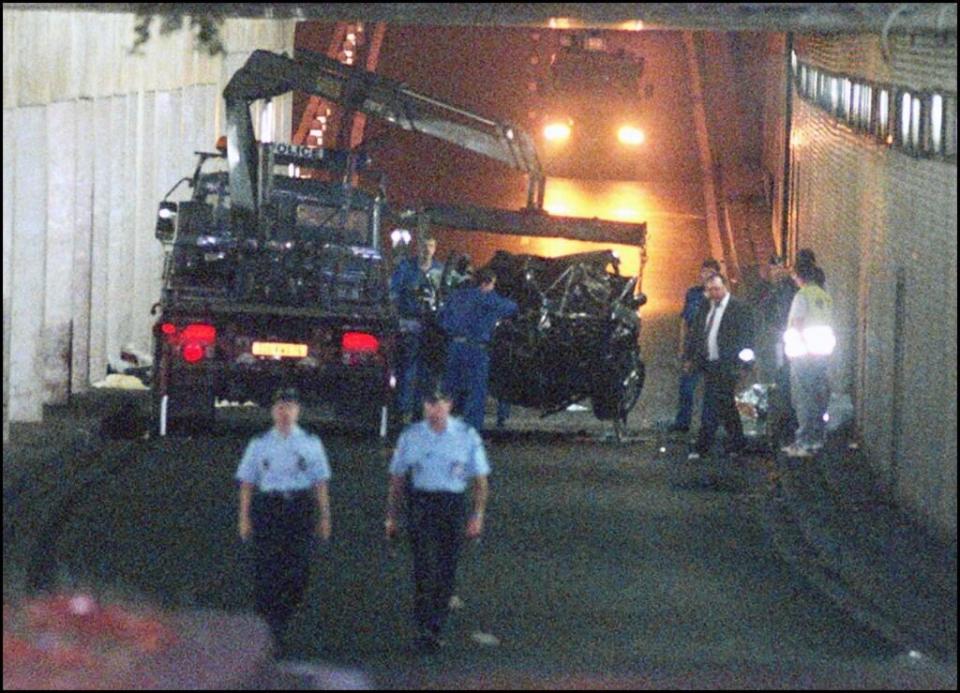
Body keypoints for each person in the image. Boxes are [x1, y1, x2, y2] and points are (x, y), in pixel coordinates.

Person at [384, 385, 490, 654]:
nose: (435, 409)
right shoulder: (411, 436)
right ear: (423, 406)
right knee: (423, 565)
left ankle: (436, 625)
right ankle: (423, 624)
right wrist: (392, 517)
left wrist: (477, 515)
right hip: (422, 503)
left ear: (449, 405)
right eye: (430, 403)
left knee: (446, 567)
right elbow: (397, 479)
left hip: (452, 505)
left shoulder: (466, 436)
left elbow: (480, 481)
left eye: (440, 403)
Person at [236, 388, 332, 652]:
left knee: (298, 570)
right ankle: (271, 628)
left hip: (298, 508)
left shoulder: (310, 444)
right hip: (269, 508)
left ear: (298, 411)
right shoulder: (260, 444)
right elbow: (247, 482)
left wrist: (324, 517)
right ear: (272, 411)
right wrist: (244, 518)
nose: (284, 413)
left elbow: (320, 482)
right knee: (267, 568)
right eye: (280, 407)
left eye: (289, 407)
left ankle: (284, 614)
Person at [683, 273, 755, 459]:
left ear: (725, 287)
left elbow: (747, 337)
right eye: (710, 290)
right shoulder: (707, 307)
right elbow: (697, 332)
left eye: (717, 289)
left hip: (727, 364)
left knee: (715, 401)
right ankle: (737, 442)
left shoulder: (739, 308)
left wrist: (744, 364)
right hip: (709, 362)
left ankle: (703, 445)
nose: (714, 293)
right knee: (725, 403)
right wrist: (690, 357)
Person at [438, 267, 518, 433]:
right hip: (476, 350)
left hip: (454, 348)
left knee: (450, 391)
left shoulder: (456, 296)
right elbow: (511, 307)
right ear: (487, 283)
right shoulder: (488, 298)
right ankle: (470, 432)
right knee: (475, 393)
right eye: (493, 285)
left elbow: (442, 319)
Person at [782, 262, 835, 457]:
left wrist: (798, 344)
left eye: (794, 276)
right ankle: (817, 438)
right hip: (821, 354)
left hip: (803, 355)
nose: (793, 279)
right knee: (818, 396)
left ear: (799, 276)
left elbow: (797, 323)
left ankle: (803, 442)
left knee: (803, 398)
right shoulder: (824, 296)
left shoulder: (802, 296)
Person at [390, 235, 443, 421]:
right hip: (410, 326)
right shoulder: (405, 268)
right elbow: (393, 294)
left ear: (435, 248)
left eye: (430, 245)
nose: (427, 250)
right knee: (407, 368)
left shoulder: (440, 270)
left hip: (431, 329)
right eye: (424, 246)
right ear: (417, 248)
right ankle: (403, 409)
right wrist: (399, 320)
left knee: (428, 372)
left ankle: (421, 410)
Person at [669, 259, 722, 433]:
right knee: (686, 387)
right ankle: (682, 422)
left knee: (711, 390)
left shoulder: (721, 296)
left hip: (712, 349)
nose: (706, 275)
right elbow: (685, 321)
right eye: (704, 272)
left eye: (711, 272)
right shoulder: (693, 294)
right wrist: (682, 347)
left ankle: (708, 426)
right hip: (693, 348)